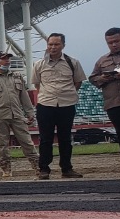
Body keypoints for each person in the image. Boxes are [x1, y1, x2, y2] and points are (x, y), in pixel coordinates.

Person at [32, 33, 86, 179]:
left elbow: (78, 81)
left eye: (56, 44)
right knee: (45, 138)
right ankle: (44, 169)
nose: (53, 47)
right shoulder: (39, 64)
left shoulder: (73, 63)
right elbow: (37, 84)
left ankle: (67, 169)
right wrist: (48, 95)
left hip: (67, 104)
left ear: (63, 45)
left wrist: (67, 94)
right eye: (50, 44)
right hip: (45, 104)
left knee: (65, 138)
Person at [0, 52, 39, 178]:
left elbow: (24, 97)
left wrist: (29, 112)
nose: (7, 61)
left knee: (27, 142)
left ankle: (37, 166)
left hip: (17, 114)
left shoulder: (17, 76)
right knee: (3, 145)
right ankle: (6, 169)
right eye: (4, 59)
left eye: (8, 58)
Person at [89, 27, 120, 176]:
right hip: (114, 103)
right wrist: (103, 78)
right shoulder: (103, 60)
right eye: (110, 42)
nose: (113, 45)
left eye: (116, 41)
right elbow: (93, 78)